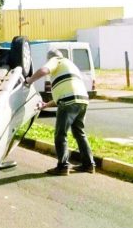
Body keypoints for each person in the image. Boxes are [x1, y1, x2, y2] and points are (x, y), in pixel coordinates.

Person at [24, 48, 96, 176]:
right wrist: (46, 105)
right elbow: (61, 95)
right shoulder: (69, 65)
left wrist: (29, 80)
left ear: (50, 58)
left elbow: (44, 70)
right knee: (79, 133)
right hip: (82, 100)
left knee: (60, 134)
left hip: (68, 101)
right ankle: (89, 164)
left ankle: (63, 166)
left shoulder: (56, 60)